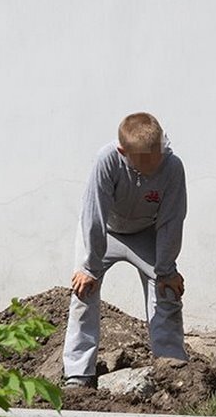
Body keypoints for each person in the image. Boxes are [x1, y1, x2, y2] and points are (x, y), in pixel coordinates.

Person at [62, 112, 187, 388]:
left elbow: (172, 221)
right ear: (123, 151)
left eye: (157, 156)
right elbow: (94, 216)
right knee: (84, 290)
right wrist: (90, 268)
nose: (154, 166)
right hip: (104, 231)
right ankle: (78, 373)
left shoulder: (172, 167)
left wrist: (167, 269)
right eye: (144, 161)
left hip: (146, 234)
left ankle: (173, 367)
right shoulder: (106, 160)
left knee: (166, 290)